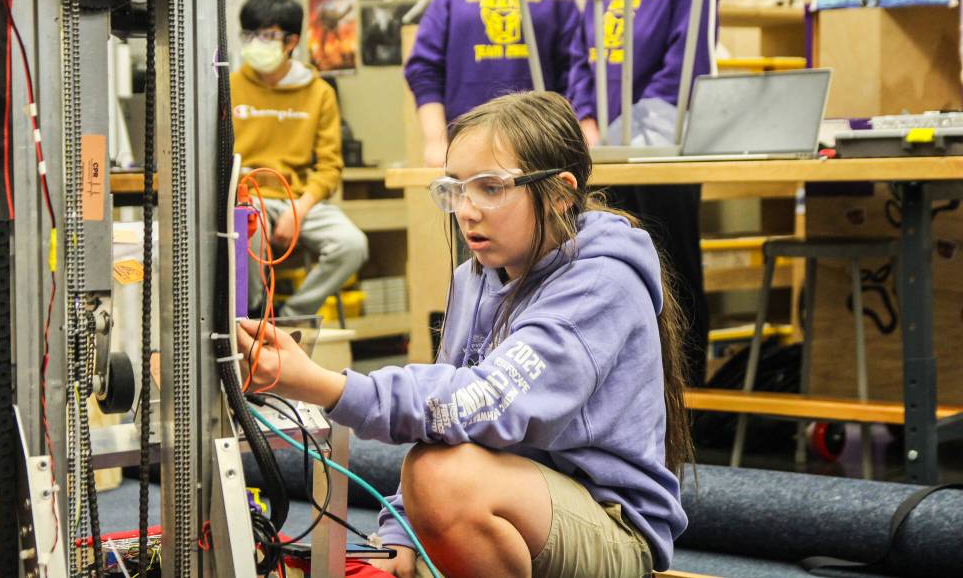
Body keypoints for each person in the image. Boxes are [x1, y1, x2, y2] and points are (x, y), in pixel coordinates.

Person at [237, 92, 692, 577]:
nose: (467, 211)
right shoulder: (473, 278)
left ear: (560, 193)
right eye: (455, 189)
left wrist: (323, 385)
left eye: (491, 188)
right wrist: (399, 534)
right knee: (421, 492)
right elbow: (443, 420)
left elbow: (485, 403)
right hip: (519, 500)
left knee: (442, 479)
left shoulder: (602, 282)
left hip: (611, 525)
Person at [568, 0, 715, 385]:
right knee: (613, 269)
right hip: (604, 149)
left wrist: (627, 131)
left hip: (662, 145)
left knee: (673, 266)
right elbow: (581, 59)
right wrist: (586, 120)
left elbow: (684, 63)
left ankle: (688, 395)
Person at [404, 0, 582, 167]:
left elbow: (576, 71)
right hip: (466, 145)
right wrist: (434, 141)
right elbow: (424, 69)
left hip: (538, 148)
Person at [231, 0, 368, 317]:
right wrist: (241, 198)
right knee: (246, 230)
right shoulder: (228, 87)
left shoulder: (319, 93)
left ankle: (291, 317)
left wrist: (299, 209)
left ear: (291, 42)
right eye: (249, 35)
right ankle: (253, 317)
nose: (256, 43)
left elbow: (330, 167)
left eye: (266, 36)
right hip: (246, 197)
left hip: (299, 199)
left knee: (352, 244)